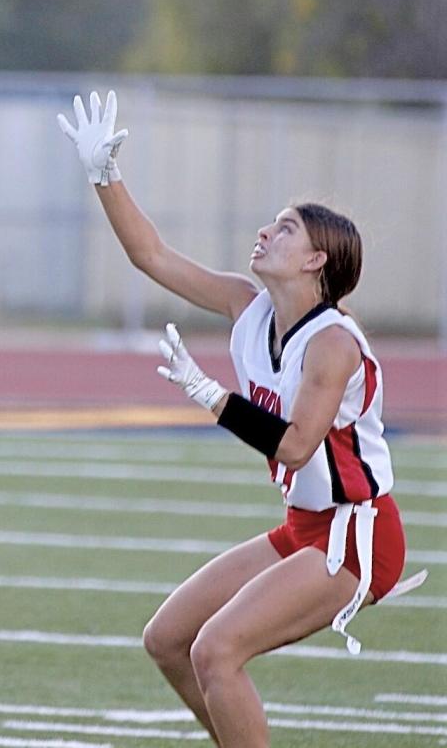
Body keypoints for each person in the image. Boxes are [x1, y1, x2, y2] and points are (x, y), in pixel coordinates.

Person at [57, 91, 425, 748]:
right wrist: (103, 174)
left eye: (285, 228)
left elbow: (295, 445)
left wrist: (211, 395)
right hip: (306, 525)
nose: (265, 231)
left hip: (357, 533)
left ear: (318, 261)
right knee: (168, 639)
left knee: (215, 650)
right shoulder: (245, 305)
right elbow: (153, 256)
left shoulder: (334, 343)